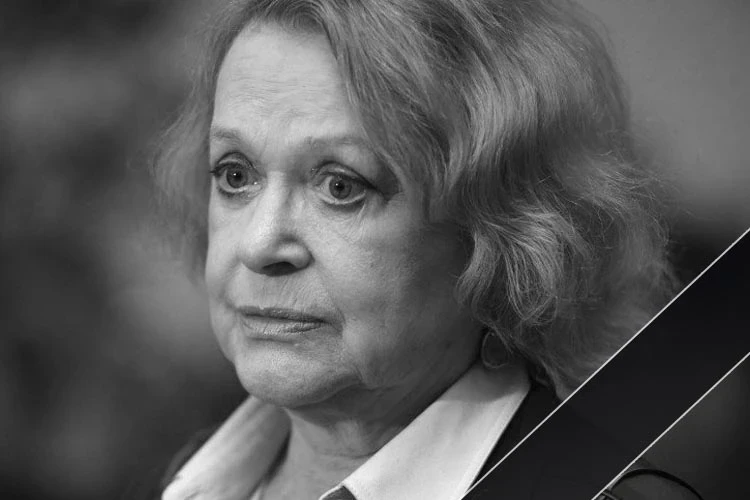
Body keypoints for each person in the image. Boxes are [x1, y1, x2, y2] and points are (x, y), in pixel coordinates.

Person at [150, 0, 677, 498]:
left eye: (341, 186)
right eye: (235, 175)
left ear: (497, 232)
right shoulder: (189, 478)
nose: (258, 244)